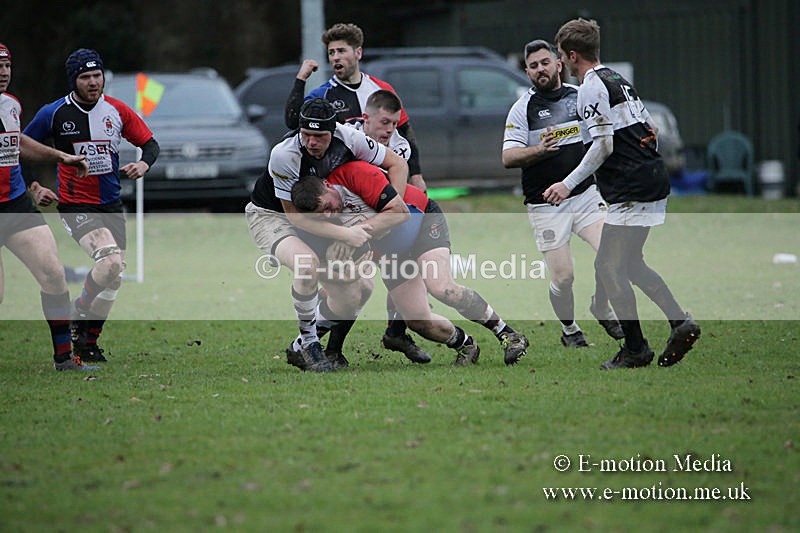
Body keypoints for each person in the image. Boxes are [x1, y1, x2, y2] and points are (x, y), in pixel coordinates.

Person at [543, 19, 701, 369]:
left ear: (572, 55)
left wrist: (567, 184)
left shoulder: (590, 87)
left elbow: (603, 144)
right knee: (630, 264)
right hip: (650, 176)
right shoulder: (616, 79)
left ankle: (636, 349)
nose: (560, 62)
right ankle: (679, 323)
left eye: (561, 55)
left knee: (608, 266)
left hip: (632, 185)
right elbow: (650, 128)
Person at [354, 90, 530, 366]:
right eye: (385, 123)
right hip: (389, 235)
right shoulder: (346, 139)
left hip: (420, 218)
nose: (390, 130)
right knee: (417, 320)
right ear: (366, 118)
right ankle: (465, 345)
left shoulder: (398, 148)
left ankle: (508, 334)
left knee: (441, 287)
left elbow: (389, 201)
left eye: (395, 124)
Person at [246, 97, 409, 372]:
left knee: (358, 291)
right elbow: (294, 217)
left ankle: (298, 346)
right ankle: (310, 345)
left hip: (321, 216)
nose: (311, 142)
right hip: (273, 215)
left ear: (332, 131)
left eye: (319, 136)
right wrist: (345, 235)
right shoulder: (284, 154)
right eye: (306, 135)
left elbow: (399, 165)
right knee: (306, 263)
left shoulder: (351, 139)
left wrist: (389, 210)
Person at [24, 48, 160, 363]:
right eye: (85, 77)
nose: (93, 82)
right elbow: (21, 149)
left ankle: (87, 343)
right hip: (75, 205)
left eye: (97, 75)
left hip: (110, 204)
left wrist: (143, 165)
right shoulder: (54, 113)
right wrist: (36, 187)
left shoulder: (117, 110)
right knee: (110, 263)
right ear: (74, 80)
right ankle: (79, 310)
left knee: (114, 276)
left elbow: (150, 145)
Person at [291, 161, 482, 366]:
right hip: (385, 247)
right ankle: (323, 349)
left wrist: (415, 175)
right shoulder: (321, 219)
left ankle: (482, 338)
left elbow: (399, 182)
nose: (329, 214)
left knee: (423, 309)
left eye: (328, 207)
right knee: (354, 290)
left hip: (411, 228)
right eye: (322, 214)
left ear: (327, 185)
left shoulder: (360, 173)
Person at [502, 39, 623, 348]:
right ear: (527, 72)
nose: (540, 69)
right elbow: (508, 157)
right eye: (533, 66)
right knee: (563, 277)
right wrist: (539, 150)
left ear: (558, 64)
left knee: (614, 254)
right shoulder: (523, 108)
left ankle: (601, 305)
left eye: (545, 62)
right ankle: (570, 330)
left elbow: (601, 138)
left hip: (584, 195)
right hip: (545, 203)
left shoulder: (579, 96)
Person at [0, 43, 96, 371]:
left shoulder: (10, 104)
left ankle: (65, 359)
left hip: (15, 206)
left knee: (53, 273)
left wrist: (60, 156)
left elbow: (18, 142)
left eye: (7, 66)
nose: (3, 73)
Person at [284, 22, 426, 192]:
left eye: (341, 51)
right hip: (343, 183)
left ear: (358, 53)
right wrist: (301, 79)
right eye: (331, 53)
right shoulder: (322, 95)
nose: (335, 57)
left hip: (382, 177)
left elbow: (405, 130)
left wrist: (416, 175)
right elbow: (292, 122)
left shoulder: (381, 89)